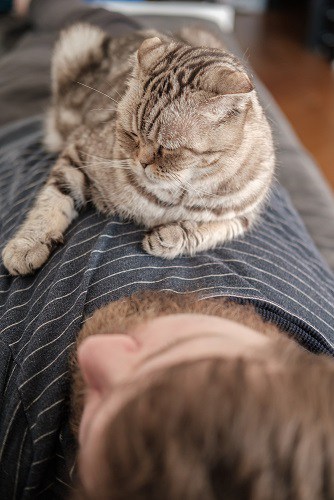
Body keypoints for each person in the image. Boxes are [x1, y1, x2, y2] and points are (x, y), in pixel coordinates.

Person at [0, 1, 334, 499]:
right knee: (207, 56)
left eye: (95, 419)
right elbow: (243, 208)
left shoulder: (22, 451)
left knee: (70, 33)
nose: (96, 352)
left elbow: (79, 152)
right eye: (180, 354)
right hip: (220, 150)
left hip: (39, 135)